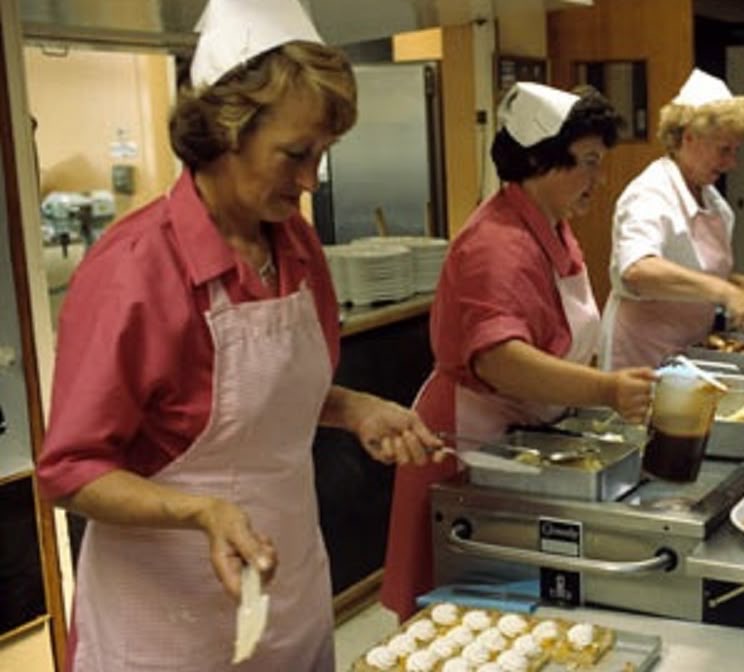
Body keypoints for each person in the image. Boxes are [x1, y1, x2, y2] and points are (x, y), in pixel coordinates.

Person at [35, 1, 442, 669]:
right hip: (168, 622)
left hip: (290, 592)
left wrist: (353, 407)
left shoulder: (296, 246)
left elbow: (269, 396)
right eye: (294, 154)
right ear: (226, 130)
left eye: (323, 155)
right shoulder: (134, 271)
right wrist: (201, 513)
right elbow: (69, 472)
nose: (310, 181)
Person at [381, 82, 658, 621]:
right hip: (467, 444)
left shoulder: (551, 226)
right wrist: (605, 391)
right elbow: (500, 360)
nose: (597, 181)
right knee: (459, 621)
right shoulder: (497, 243)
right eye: (588, 163)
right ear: (540, 159)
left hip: (518, 439)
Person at [598, 68, 744, 371]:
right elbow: (637, 269)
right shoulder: (651, 193)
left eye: (736, 150)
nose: (732, 163)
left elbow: (689, 269)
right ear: (690, 138)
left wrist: (738, 283)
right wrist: (725, 292)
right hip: (643, 354)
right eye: (724, 150)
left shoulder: (713, 202)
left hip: (688, 350)